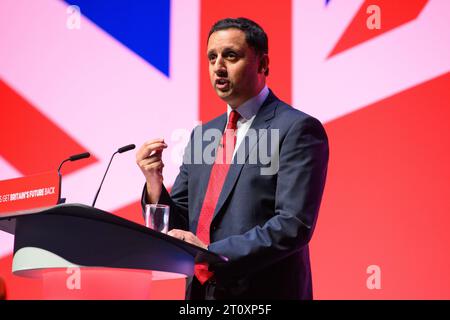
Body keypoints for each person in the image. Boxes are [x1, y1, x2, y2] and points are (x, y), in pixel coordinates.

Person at [136, 17, 329, 299]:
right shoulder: (203, 135)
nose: (218, 67)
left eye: (230, 56)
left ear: (263, 64)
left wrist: (210, 255)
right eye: (212, 57)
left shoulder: (296, 129)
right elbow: (179, 223)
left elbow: (292, 225)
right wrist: (154, 182)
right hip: (201, 296)